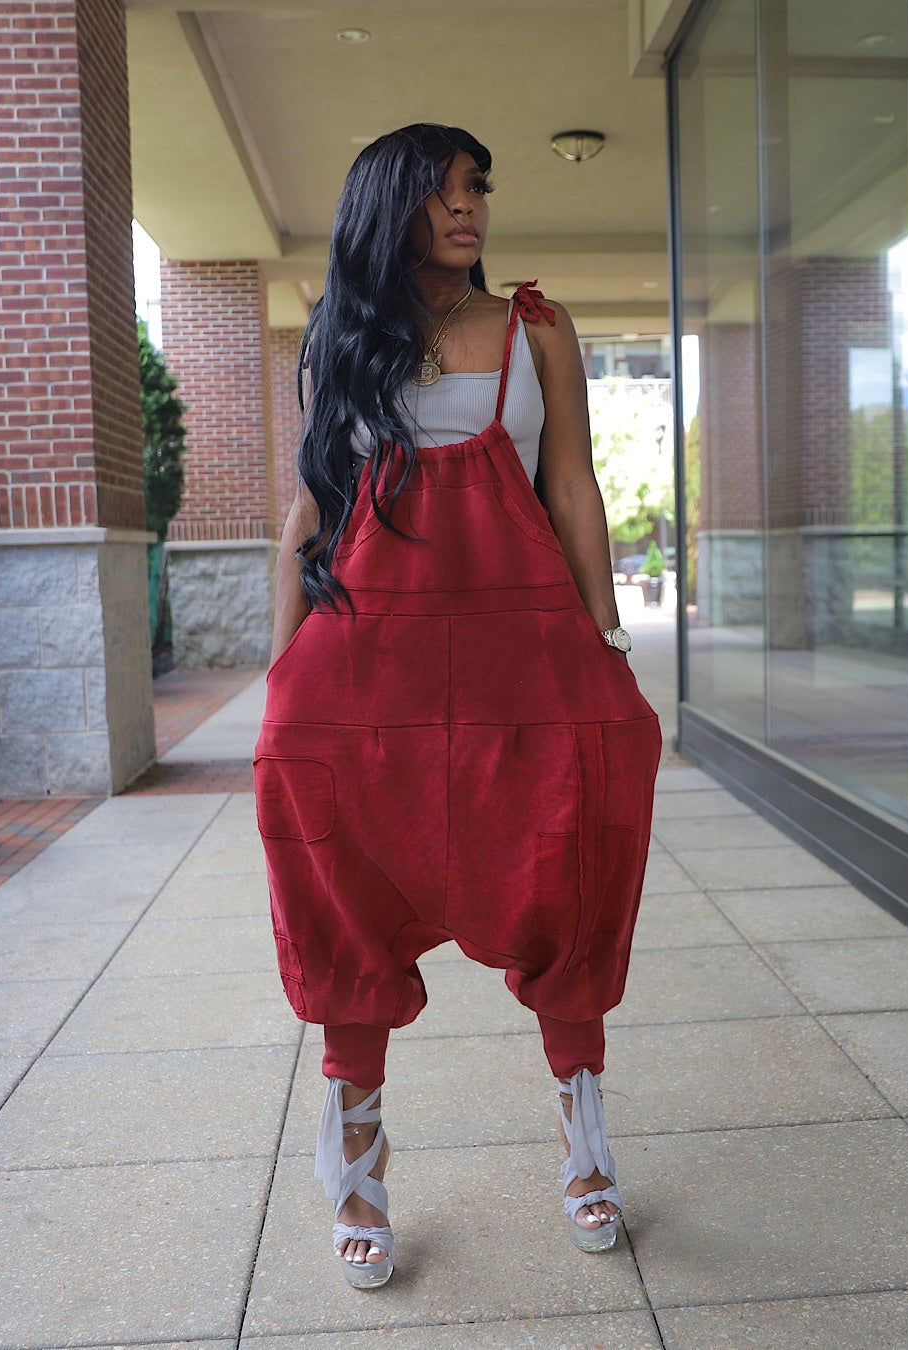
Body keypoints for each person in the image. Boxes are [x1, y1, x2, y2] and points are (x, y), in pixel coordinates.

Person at [254, 123, 661, 1290]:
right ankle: (359, 1155)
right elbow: (309, 513)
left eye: (477, 186)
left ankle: (583, 1133)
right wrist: (282, 679)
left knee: (569, 878)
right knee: (343, 899)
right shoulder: (338, 340)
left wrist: (610, 645)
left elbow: (571, 486)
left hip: (522, 658)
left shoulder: (540, 327)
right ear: (389, 208)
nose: (468, 206)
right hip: (366, 664)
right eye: (442, 191)